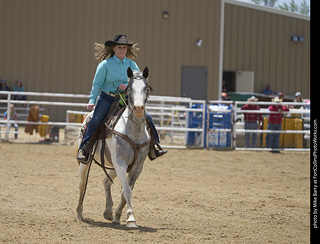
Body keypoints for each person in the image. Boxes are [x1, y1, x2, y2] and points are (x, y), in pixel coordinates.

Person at [77, 34, 167, 163]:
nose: (122, 49)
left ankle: (154, 147)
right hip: (107, 98)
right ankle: (84, 150)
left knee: (147, 118)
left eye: (124, 47)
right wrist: (92, 101)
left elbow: (138, 81)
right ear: (113, 48)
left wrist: (128, 87)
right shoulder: (105, 65)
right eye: (119, 47)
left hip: (125, 100)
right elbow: (97, 84)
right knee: (96, 120)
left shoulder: (132, 64)